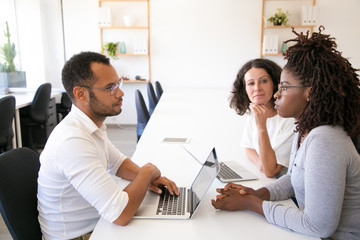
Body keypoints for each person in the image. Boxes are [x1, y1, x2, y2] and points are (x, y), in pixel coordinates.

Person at [212, 26, 360, 239]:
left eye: (284, 87)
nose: (277, 95)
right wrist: (257, 193)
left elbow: (319, 226)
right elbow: (293, 178)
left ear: (309, 92)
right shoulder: (305, 129)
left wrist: (251, 203)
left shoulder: (326, 140)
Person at [37, 51, 179, 240]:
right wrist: (146, 172)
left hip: (97, 225)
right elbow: (120, 214)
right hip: (79, 236)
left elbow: (118, 163)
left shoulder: (89, 125)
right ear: (81, 94)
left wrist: (151, 180)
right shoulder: (72, 141)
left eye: (118, 84)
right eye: (110, 88)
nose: (120, 93)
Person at [229, 58, 295, 178]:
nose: (257, 88)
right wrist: (259, 161)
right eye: (251, 83)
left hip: (282, 185)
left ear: (275, 84)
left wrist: (261, 127)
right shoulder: (255, 112)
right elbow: (248, 148)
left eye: (263, 81)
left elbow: (271, 170)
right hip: (263, 178)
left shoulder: (289, 119)